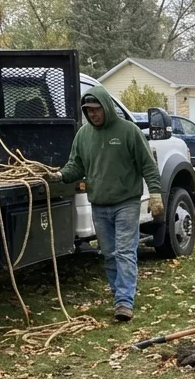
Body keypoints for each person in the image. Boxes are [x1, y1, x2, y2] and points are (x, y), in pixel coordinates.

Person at [55, 85, 162, 322]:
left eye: (96, 109)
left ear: (106, 107)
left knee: (124, 251)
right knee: (109, 253)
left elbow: (147, 165)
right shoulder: (83, 135)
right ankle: (119, 296)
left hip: (126, 202)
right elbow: (76, 166)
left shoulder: (128, 131)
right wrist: (59, 175)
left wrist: (155, 193)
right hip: (99, 204)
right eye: (88, 110)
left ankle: (124, 302)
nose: (92, 114)